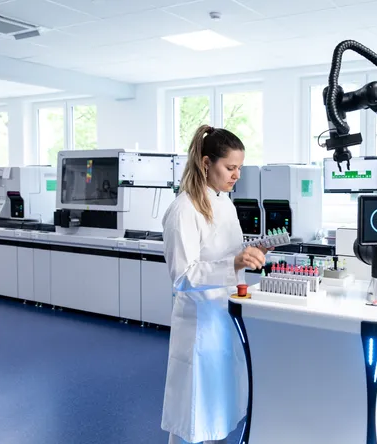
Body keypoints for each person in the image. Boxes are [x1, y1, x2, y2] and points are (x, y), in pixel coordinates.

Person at [161, 124, 267, 444]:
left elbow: (226, 252)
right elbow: (182, 276)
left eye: (239, 168)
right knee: (193, 413)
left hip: (224, 315)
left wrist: (251, 252)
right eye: (230, 167)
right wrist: (233, 263)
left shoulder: (223, 201)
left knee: (216, 408)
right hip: (199, 324)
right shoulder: (184, 209)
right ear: (207, 163)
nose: (237, 175)